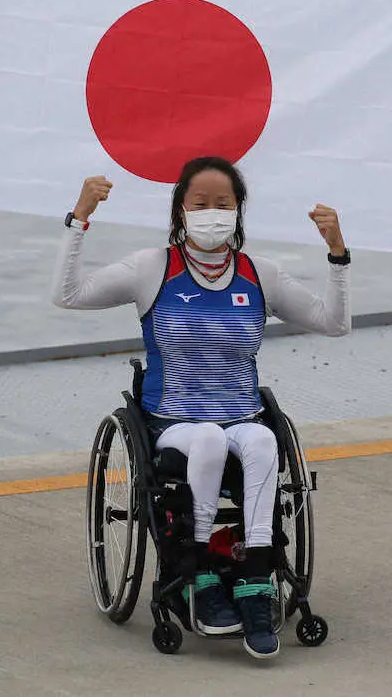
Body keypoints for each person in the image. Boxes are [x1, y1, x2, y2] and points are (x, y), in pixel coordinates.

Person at [52, 157, 351, 657]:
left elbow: (333, 323)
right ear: (181, 211)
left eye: (223, 204)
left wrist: (337, 254)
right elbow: (68, 295)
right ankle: (200, 574)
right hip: (174, 424)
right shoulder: (152, 268)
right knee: (209, 438)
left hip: (242, 416)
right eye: (201, 203)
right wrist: (80, 217)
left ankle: (255, 580)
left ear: (238, 211)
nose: (213, 212)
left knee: (262, 440)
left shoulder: (260, 274)